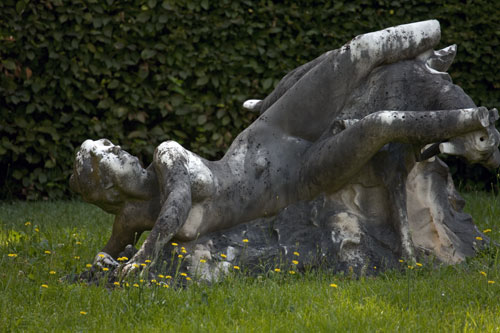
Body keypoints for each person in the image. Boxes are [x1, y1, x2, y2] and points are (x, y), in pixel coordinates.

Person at [70, 20, 499, 274]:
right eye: (104, 153)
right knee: (379, 126)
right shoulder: (133, 215)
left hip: (270, 134)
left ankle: (430, 34)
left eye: (109, 143)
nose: (117, 147)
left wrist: (143, 254)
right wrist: (110, 263)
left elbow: (178, 202)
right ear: (105, 189)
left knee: (361, 50)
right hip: (295, 179)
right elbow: (109, 252)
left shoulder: (166, 156)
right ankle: (470, 120)